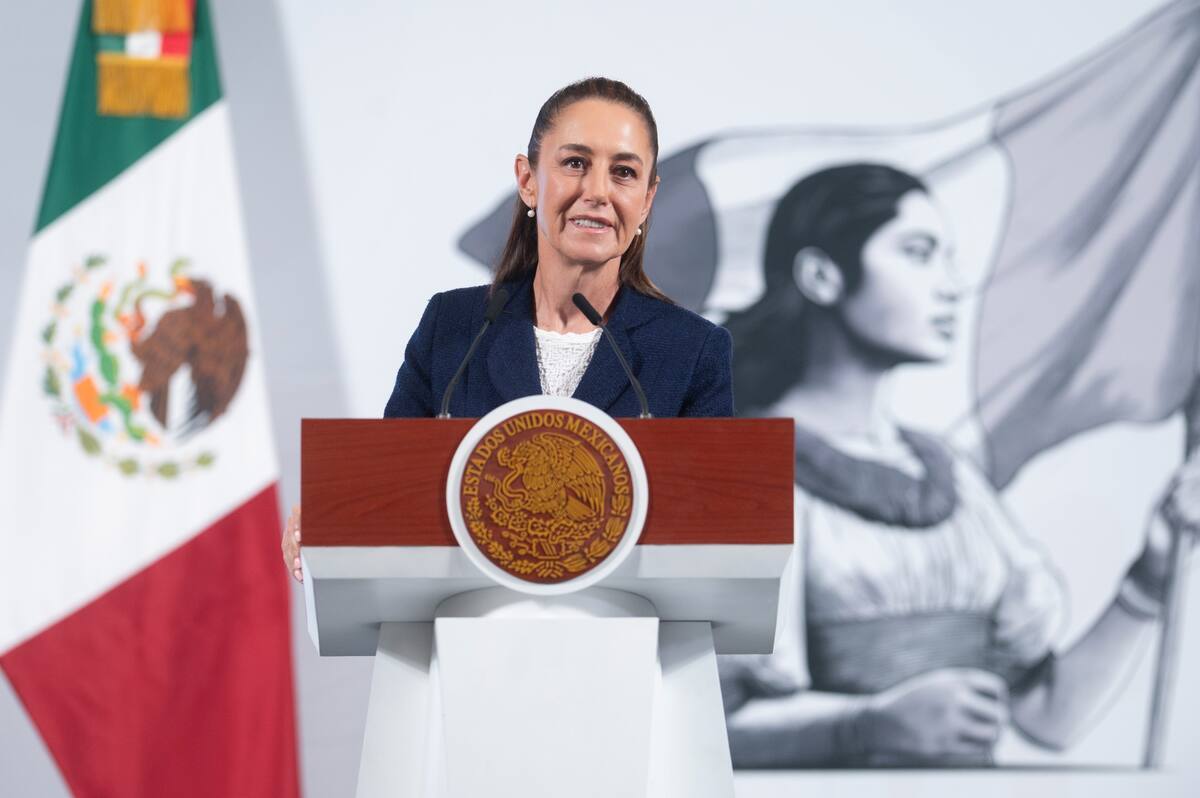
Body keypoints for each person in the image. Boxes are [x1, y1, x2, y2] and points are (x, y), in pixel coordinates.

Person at [718, 163, 1199, 767]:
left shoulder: (950, 476)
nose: (950, 285)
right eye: (918, 254)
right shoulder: (737, 471)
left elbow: (1048, 718)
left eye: (948, 257)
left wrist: (1151, 577)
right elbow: (701, 724)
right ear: (821, 275)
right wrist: (865, 726)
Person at [281, 77, 734, 582]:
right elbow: (391, 493)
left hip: (627, 647)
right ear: (528, 181)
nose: (598, 192)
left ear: (647, 201)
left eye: (623, 173)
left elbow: (715, 536)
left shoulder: (693, 351)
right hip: (469, 644)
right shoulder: (452, 328)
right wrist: (334, 521)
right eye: (575, 163)